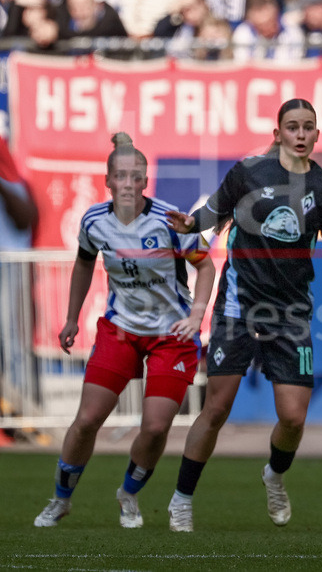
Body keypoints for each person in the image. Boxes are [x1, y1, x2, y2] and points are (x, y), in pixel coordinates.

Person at [164, 99, 322, 533]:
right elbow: (211, 213)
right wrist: (188, 224)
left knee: (293, 417)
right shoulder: (248, 171)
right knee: (216, 409)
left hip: (291, 313)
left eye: (308, 127)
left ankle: (274, 475)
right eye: (292, 126)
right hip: (238, 308)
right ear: (277, 133)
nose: (300, 133)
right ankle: (181, 499)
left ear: (316, 135)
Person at [33, 132, 216, 528]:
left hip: (172, 334)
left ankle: (128, 494)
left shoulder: (171, 220)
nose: (129, 184)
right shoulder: (94, 221)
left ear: (146, 182)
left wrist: (197, 313)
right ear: (108, 180)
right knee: (87, 420)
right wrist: (70, 317)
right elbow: (84, 263)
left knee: (153, 428)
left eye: (137, 177)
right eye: (121, 176)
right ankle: (60, 499)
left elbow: (206, 265)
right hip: (120, 329)